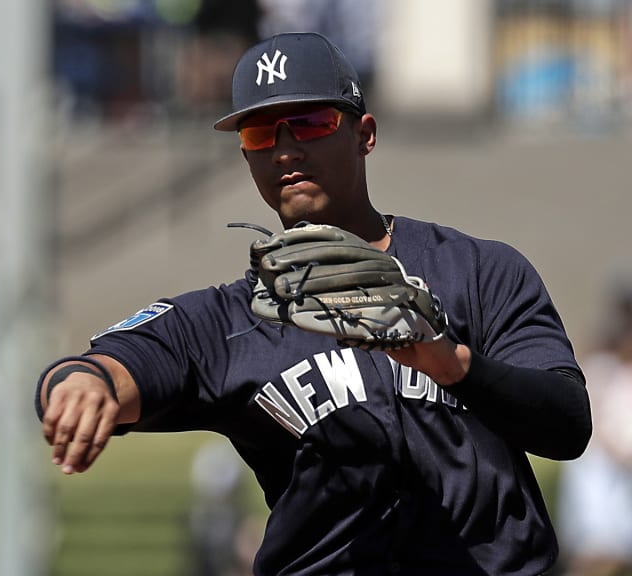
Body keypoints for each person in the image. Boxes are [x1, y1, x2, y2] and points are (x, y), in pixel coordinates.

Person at [35, 32, 591, 575]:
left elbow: (567, 424)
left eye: (309, 123)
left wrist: (456, 367)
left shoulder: (478, 270)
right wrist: (84, 382)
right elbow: (120, 361)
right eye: (258, 134)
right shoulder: (233, 321)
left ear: (364, 134)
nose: (284, 150)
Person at [556, 280, 632, 576]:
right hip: (602, 471)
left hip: (622, 475)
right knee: (598, 549)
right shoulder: (603, 367)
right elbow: (597, 419)